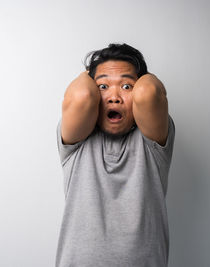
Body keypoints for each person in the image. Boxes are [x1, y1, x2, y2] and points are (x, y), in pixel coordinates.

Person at [55, 43, 175, 267]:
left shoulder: (152, 141)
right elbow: (81, 95)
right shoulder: (77, 140)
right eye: (102, 87)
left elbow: (148, 92)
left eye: (127, 86)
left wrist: (133, 80)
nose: (114, 97)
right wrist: (91, 72)